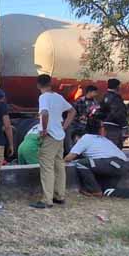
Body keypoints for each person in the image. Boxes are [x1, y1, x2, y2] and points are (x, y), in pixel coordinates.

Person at [65, 119, 129, 200]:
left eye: (75, 140)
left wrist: (59, 161)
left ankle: (94, 190)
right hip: (122, 166)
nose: (75, 142)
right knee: (108, 191)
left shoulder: (85, 138)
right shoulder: (102, 139)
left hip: (112, 163)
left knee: (80, 163)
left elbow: (70, 157)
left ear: (78, 136)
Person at [31, 74, 76, 209]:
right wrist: (64, 127)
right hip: (59, 135)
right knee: (59, 166)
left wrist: (44, 129)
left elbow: (44, 113)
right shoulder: (58, 97)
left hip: (50, 136)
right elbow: (72, 111)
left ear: (38, 85)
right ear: (51, 83)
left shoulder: (43, 97)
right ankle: (59, 196)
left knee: (47, 168)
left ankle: (47, 200)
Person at [100, 78, 128, 148]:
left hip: (105, 124)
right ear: (117, 86)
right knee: (115, 147)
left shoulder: (104, 97)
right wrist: (124, 124)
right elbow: (118, 112)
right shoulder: (116, 98)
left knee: (107, 146)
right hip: (114, 126)